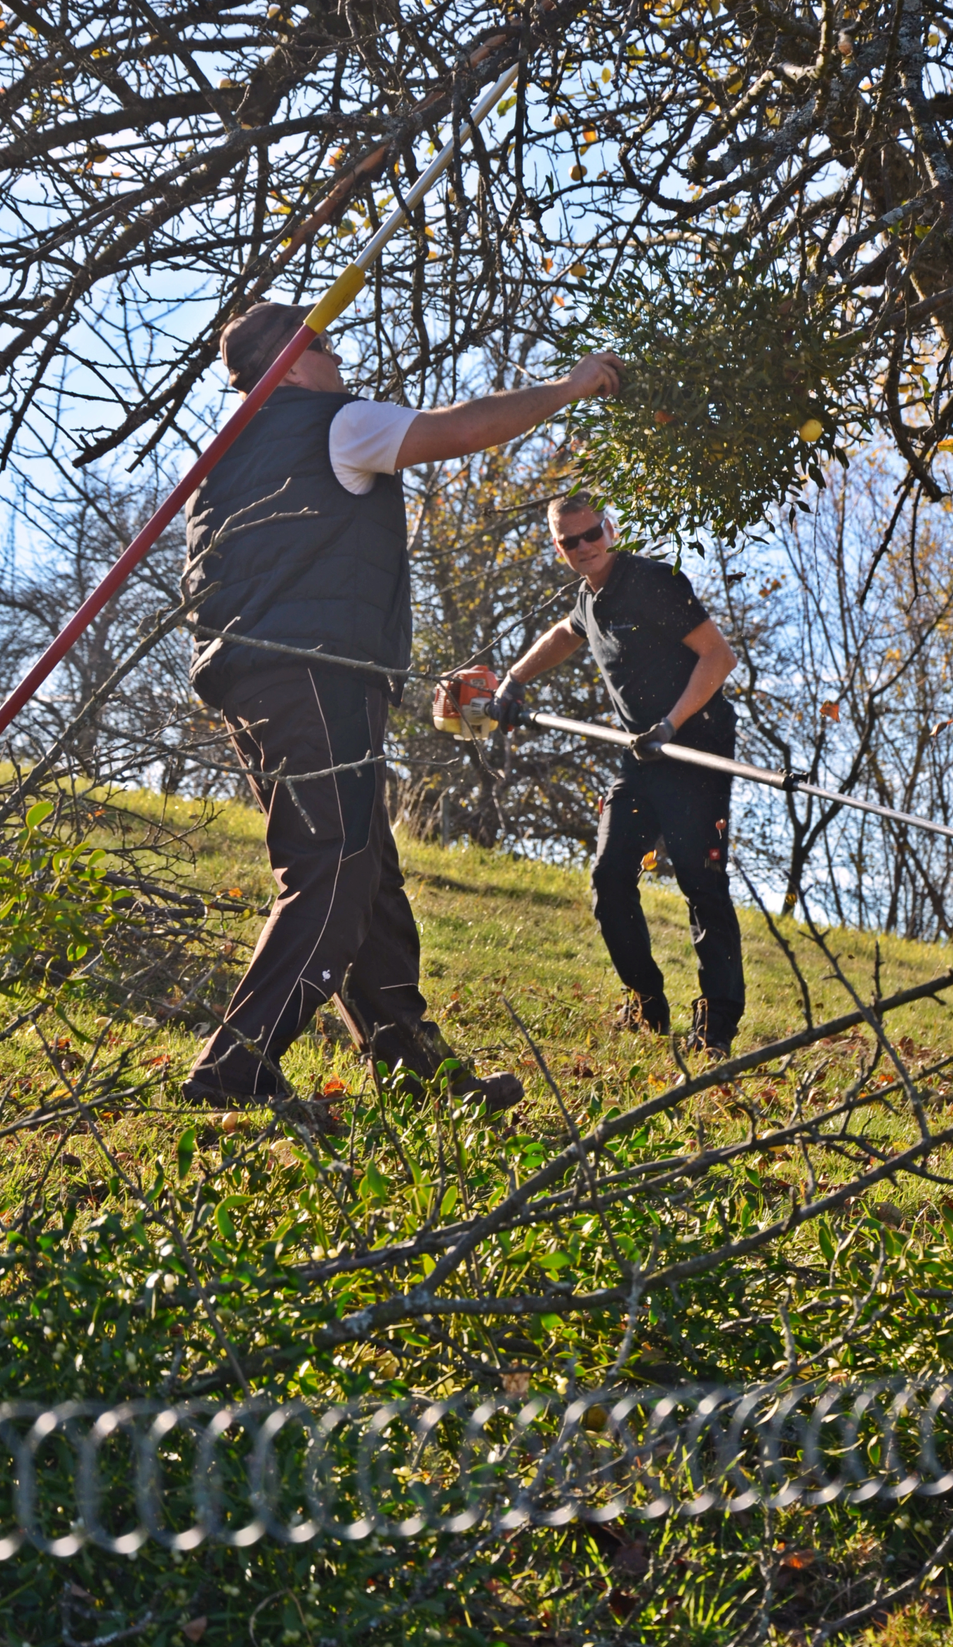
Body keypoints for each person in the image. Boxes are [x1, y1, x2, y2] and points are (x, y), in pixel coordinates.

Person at [179, 301, 623, 1111]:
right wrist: (569, 386)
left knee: (366, 874)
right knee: (336, 866)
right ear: (297, 355)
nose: (340, 358)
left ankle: (418, 1071)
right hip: (316, 672)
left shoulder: (225, 465)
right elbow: (459, 428)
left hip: (257, 676)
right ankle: (236, 1065)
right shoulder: (330, 424)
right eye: (325, 344)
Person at [493, 495, 744, 1057]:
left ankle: (717, 1025)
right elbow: (566, 632)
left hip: (695, 748)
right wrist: (514, 678)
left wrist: (671, 725)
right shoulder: (589, 599)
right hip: (641, 755)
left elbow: (718, 657)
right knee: (609, 877)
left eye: (591, 534)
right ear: (558, 546)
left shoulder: (654, 581)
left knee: (701, 886)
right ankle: (647, 1000)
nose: (584, 547)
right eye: (570, 541)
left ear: (609, 529)